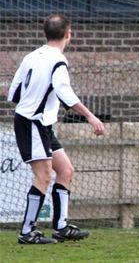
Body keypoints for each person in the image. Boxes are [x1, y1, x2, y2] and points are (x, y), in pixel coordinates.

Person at [8, 14, 105, 244]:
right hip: (34, 122)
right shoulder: (58, 61)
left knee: (66, 171)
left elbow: (14, 94)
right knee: (43, 175)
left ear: (45, 33)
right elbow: (66, 95)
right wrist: (92, 117)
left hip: (39, 123)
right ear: (68, 34)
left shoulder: (30, 57)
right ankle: (26, 232)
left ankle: (61, 227)